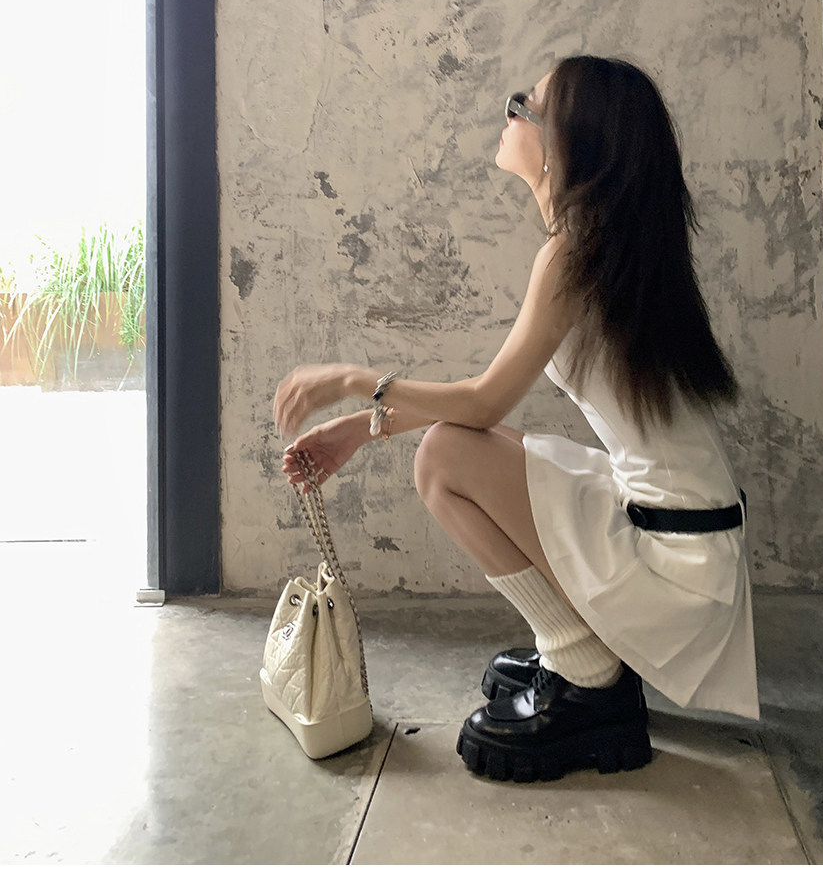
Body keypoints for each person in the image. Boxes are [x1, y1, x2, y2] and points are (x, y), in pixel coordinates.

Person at [273, 55, 759, 783]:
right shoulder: (598, 246)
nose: (510, 112)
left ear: (568, 146)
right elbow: (481, 405)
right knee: (469, 446)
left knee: (445, 458)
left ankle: (588, 676)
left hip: (678, 566)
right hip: (688, 534)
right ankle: (585, 655)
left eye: (526, 105)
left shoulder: (574, 255)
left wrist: (350, 384)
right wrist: (359, 428)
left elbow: (481, 401)